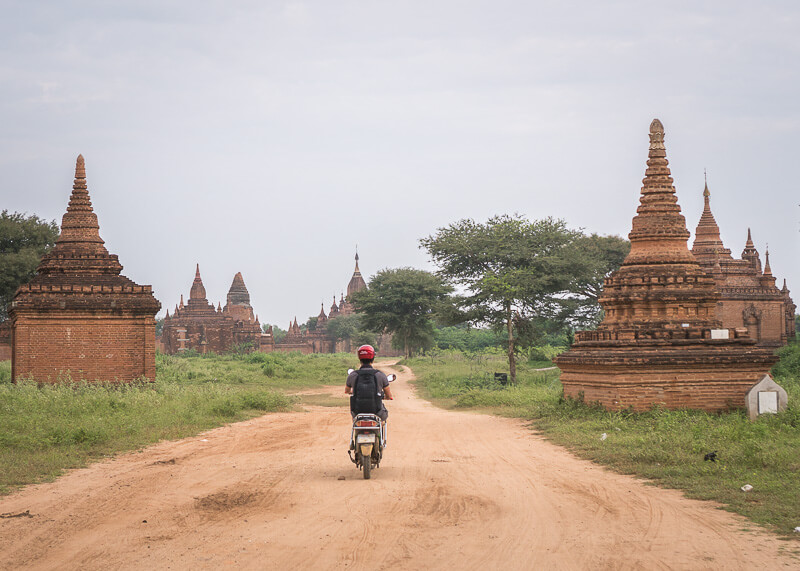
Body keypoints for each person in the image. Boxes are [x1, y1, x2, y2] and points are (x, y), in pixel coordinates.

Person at [345, 344, 393, 421]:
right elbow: (389, 395)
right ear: (373, 358)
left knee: (355, 421)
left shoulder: (353, 375)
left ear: (359, 358)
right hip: (376, 412)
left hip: (357, 412)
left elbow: (346, 391)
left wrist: (351, 392)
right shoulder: (380, 375)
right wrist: (387, 397)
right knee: (384, 414)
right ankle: (381, 430)